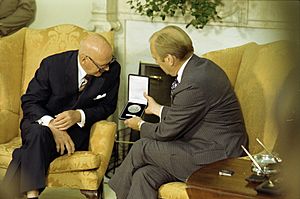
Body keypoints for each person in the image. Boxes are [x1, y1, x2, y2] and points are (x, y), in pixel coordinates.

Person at [108, 25, 248, 199]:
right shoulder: (201, 67)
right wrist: (158, 109)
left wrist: (140, 125)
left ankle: (116, 194)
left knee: (141, 147)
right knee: (144, 175)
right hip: (200, 145)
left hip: (218, 156)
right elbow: (189, 113)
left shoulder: (193, 83)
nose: (157, 63)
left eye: (156, 59)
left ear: (169, 59)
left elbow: (167, 131)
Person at [2, 34, 121, 199]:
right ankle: (32, 194)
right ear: (85, 59)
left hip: (76, 132)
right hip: (41, 122)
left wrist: (79, 115)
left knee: (29, 147)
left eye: (110, 62)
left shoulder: (112, 69)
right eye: (102, 66)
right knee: (38, 133)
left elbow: (108, 106)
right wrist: (52, 125)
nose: (107, 68)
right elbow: (30, 101)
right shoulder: (52, 65)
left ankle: (23, 194)